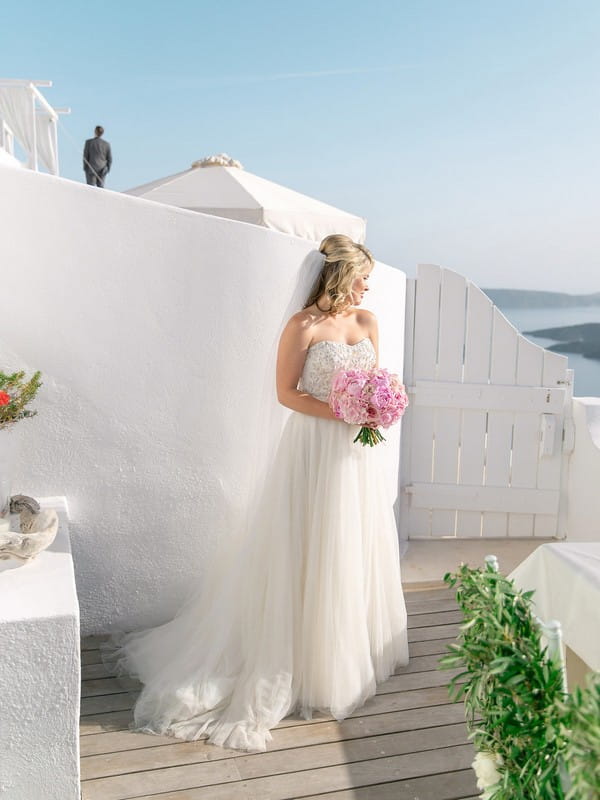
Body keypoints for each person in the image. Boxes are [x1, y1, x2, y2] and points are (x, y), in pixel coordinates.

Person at [104, 234, 408, 752]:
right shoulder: (302, 326)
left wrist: (379, 406)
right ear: (338, 275)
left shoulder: (367, 323)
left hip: (357, 453)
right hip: (313, 449)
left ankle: (340, 658)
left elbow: (376, 379)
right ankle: (295, 661)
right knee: (307, 545)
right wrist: (343, 410)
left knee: (351, 545)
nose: (365, 288)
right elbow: (286, 393)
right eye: (361, 278)